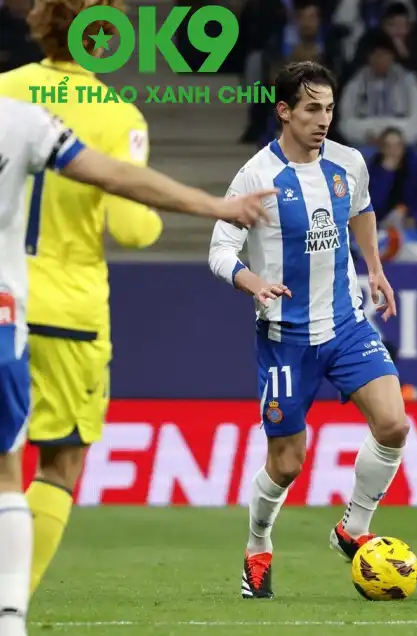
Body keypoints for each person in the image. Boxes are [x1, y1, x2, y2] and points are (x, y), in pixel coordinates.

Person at [0, 96, 272, 636]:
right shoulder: (19, 116)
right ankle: (9, 620)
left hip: (29, 310)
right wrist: (215, 206)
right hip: (27, 311)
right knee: (13, 476)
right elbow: (119, 181)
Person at [207, 61, 409, 601]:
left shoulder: (348, 163)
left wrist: (375, 269)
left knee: (393, 424)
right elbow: (220, 250)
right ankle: (257, 546)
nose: (323, 120)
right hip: (285, 340)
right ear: (284, 111)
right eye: (312, 109)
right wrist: (253, 282)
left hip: (346, 325)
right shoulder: (257, 176)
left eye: (329, 109)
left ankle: (353, 527)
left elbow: (361, 210)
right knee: (287, 463)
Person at [0, 0, 172, 597]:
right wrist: (157, 213)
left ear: (39, 22)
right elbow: (131, 228)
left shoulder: (4, 91)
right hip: (69, 312)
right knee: (60, 463)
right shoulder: (118, 116)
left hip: (4, 300)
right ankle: (10, 603)